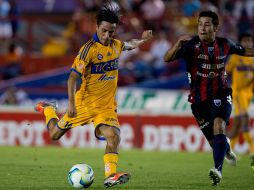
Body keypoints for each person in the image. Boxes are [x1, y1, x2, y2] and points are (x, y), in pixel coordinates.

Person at [34, 3, 153, 188]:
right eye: (104, 31)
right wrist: (72, 104)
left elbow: (129, 45)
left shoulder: (116, 45)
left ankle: (110, 175)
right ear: (97, 27)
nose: (107, 36)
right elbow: (72, 78)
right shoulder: (88, 50)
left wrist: (143, 40)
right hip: (84, 104)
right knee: (54, 135)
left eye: (111, 32)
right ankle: (49, 109)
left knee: (114, 136)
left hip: (105, 107)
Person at [164, 10, 254, 186]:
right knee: (215, 142)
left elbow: (245, 51)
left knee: (219, 125)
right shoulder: (191, 46)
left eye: (206, 24)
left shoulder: (225, 44)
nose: (202, 28)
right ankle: (226, 148)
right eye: (199, 24)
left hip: (222, 93)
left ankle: (217, 171)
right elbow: (167, 58)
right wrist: (177, 44)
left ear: (216, 27)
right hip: (198, 101)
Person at [226, 33, 254, 155]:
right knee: (245, 119)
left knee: (236, 125)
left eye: (249, 41)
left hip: (248, 94)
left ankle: (228, 151)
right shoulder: (236, 57)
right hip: (238, 92)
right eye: (245, 41)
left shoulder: (252, 58)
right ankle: (253, 150)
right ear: (241, 43)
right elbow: (225, 71)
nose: (248, 43)